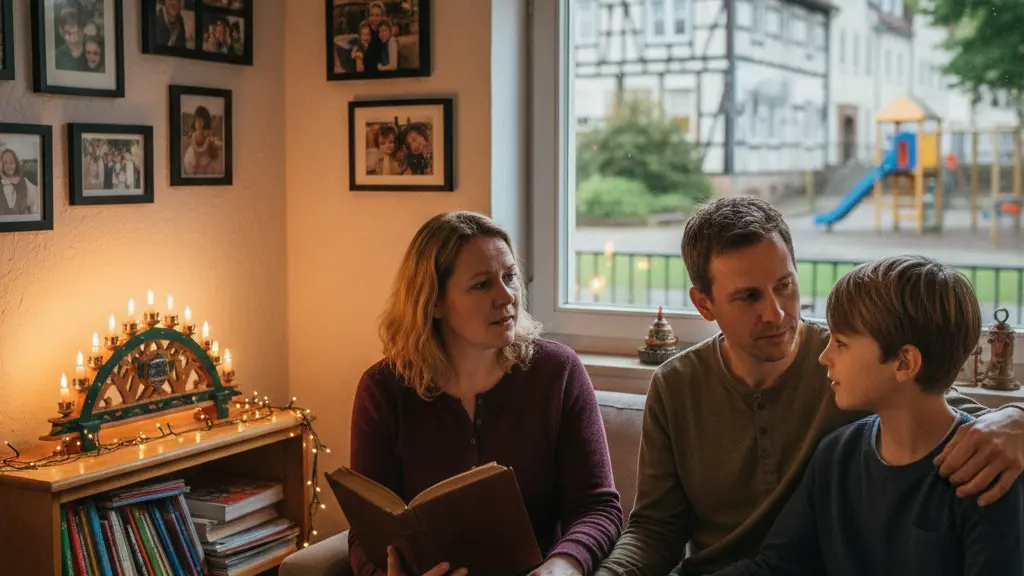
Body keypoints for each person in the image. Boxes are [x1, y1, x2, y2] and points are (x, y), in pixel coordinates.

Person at [595, 197, 1024, 576]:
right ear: (704, 304)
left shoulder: (855, 364)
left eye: (785, 285)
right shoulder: (677, 385)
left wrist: (1017, 418)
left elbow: (935, 401)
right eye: (748, 297)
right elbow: (656, 527)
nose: (778, 314)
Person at [710, 255, 1024, 575]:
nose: (824, 356)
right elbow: (776, 567)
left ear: (904, 363)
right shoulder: (835, 455)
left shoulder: (986, 473)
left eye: (841, 343)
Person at [349, 211, 623, 576]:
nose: (506, 296)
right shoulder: (383, 390)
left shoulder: (556, 372)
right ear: (434, 302)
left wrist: (563, 566)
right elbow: (365, 534)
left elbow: (598, 507)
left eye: (509, 276)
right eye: (482, 285)